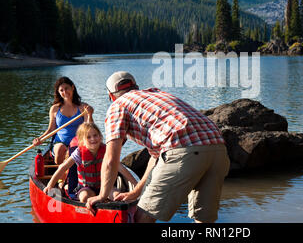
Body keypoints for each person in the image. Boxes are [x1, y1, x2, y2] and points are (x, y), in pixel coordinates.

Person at [86, 71, 230, 223]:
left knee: (142, 218)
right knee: (204, 219)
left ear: (111, 96)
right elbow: (156, 158)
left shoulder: (117, 105)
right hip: (218, 148)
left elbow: (110, 159)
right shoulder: (156, 94)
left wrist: (102, 195)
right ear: (136, 86)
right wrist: (135, 192)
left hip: (183, 149)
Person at [43, 122, 137, 203]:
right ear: (82, 141)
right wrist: (50, 185)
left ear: (100, 137)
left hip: (106, 186)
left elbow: (120, 167)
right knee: (84, 197)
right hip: (86, 187)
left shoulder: (106, 150)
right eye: (88, 137)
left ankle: (111, 208)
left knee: (117, 196)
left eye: (95, 135)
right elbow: (63, 167)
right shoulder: (79, 152)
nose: (93, 139)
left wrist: (136, 185)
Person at [32, 77, 94, 197]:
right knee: (61, 150)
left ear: (72, 88)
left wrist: (90, 114)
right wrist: (39, 139)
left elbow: (89, 128)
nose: (65, 92)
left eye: (67, 88)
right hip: (60, 142)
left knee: (72, 152)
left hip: (77, 143)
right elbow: (51, 130)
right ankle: (63, 178)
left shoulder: (83, 107)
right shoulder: (55, 108)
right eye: (61, 90)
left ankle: (66, 180)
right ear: (58, 93)